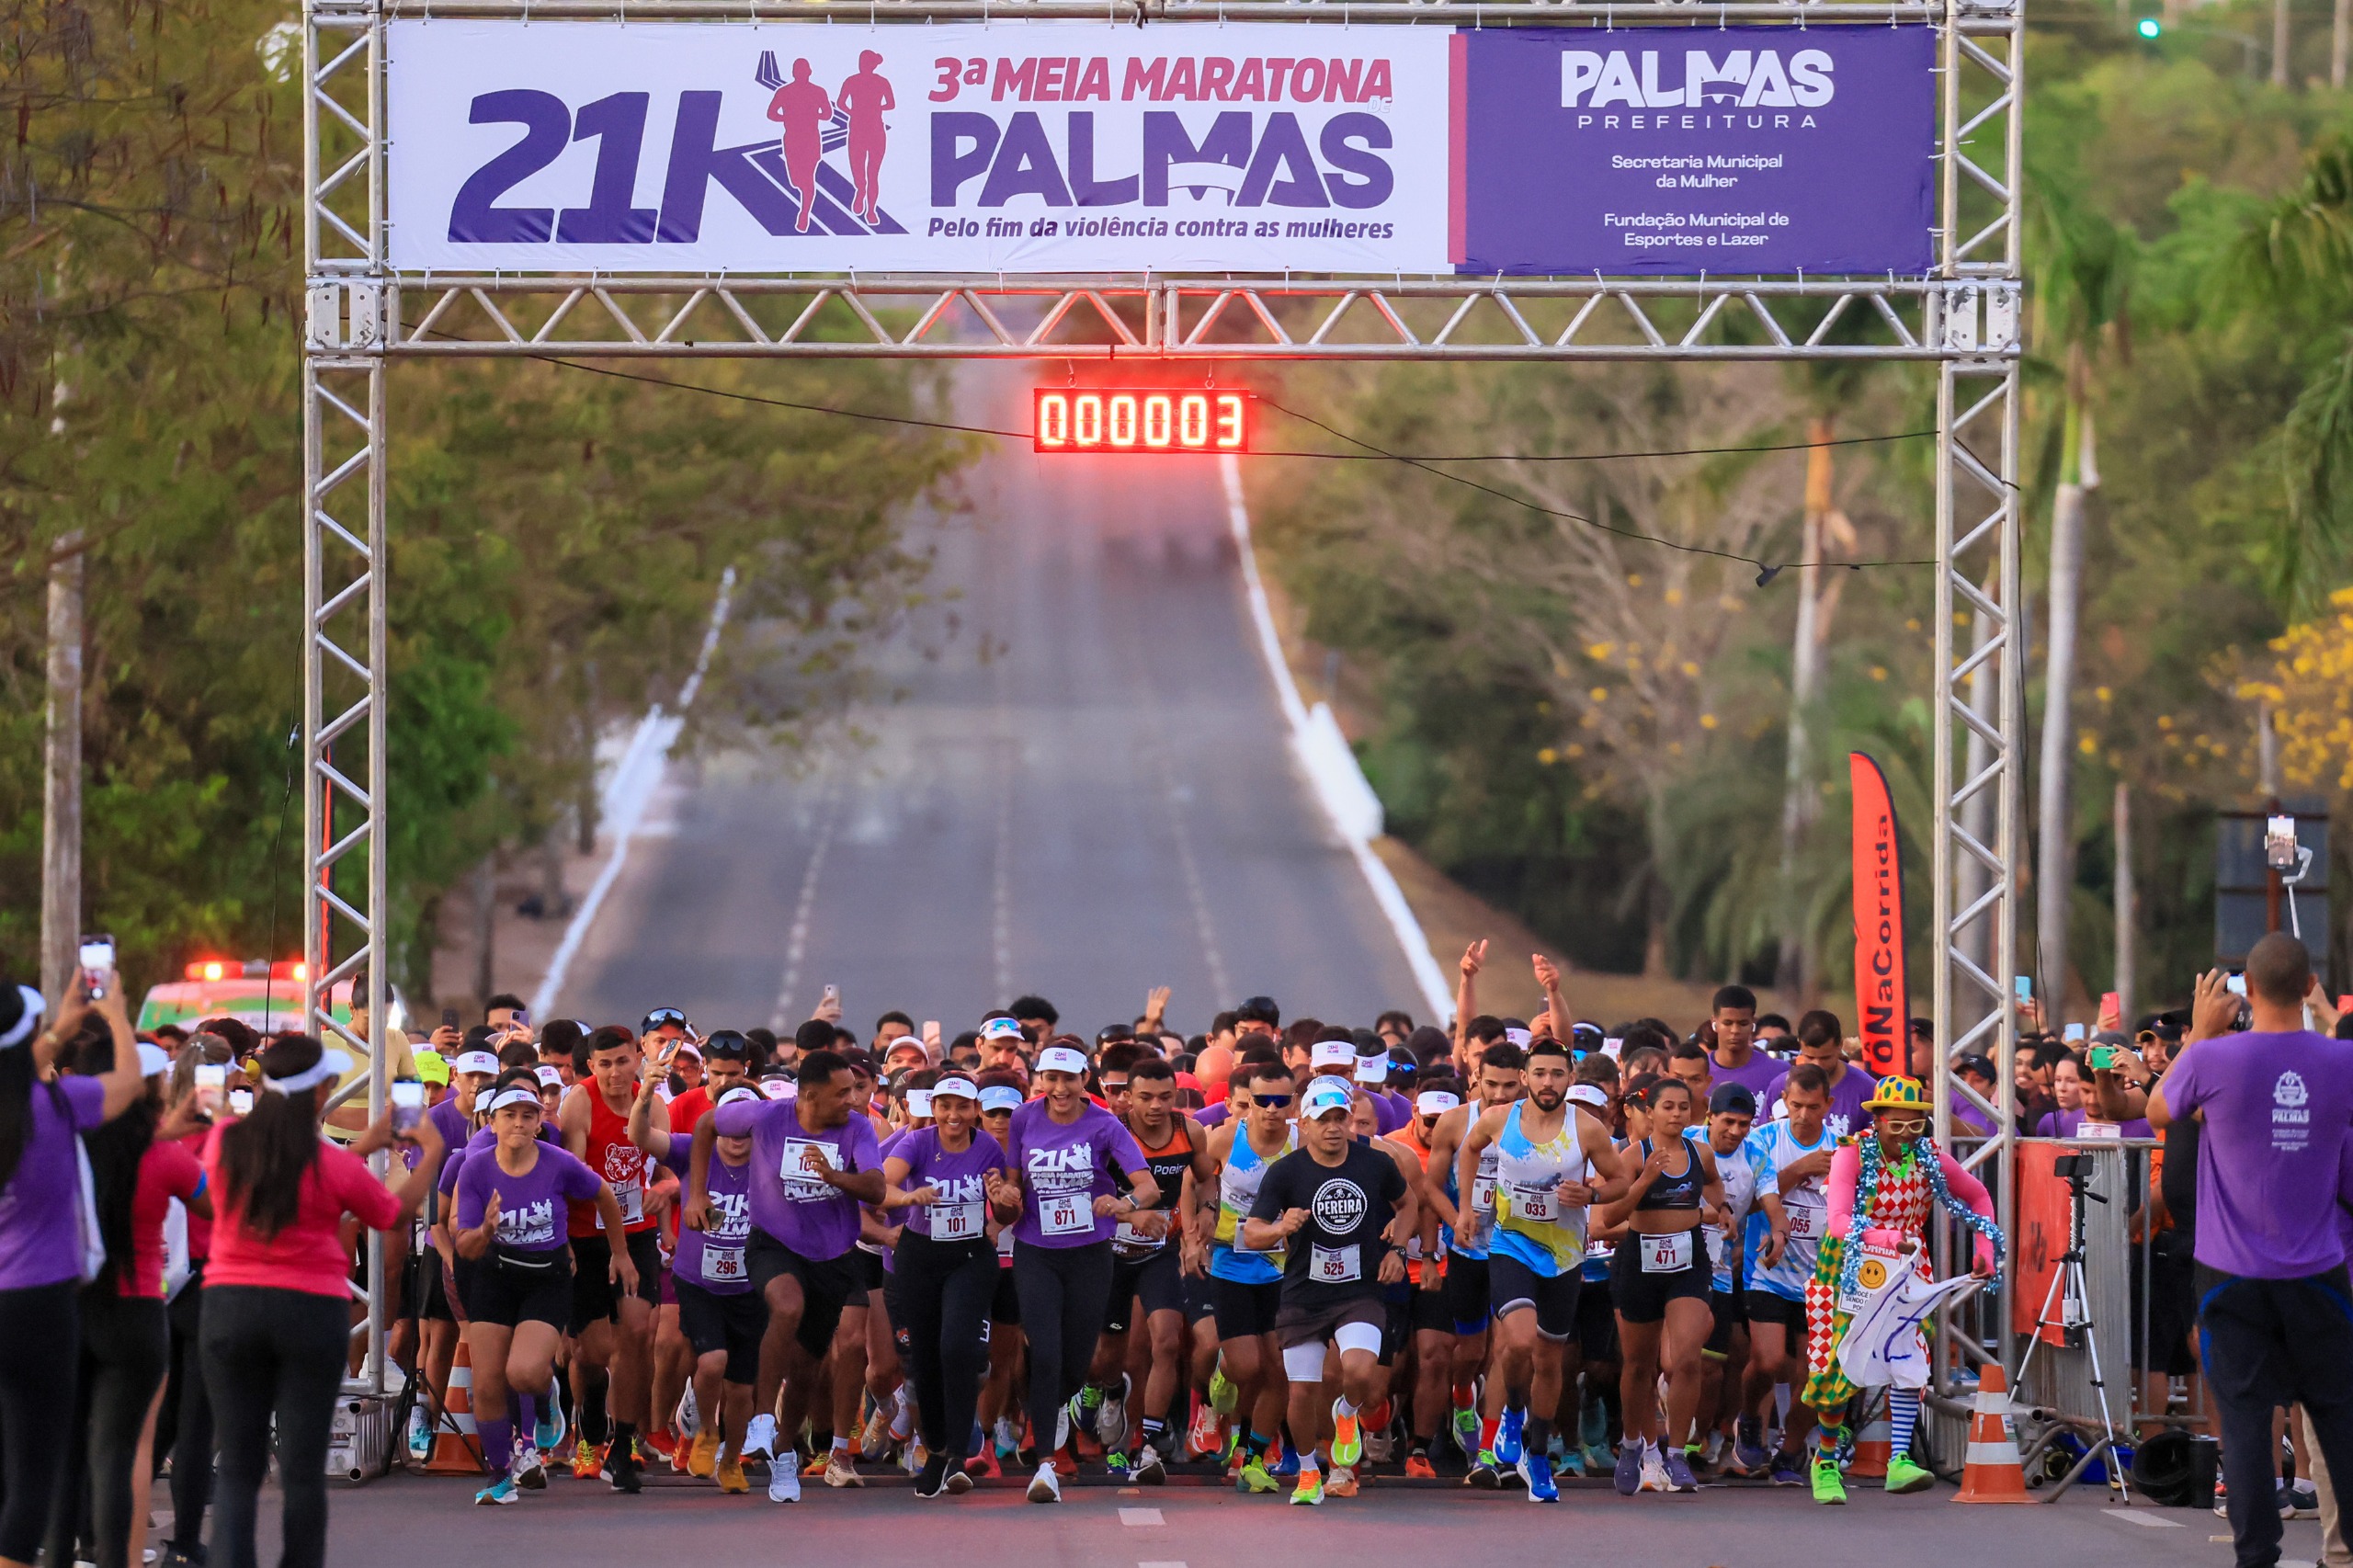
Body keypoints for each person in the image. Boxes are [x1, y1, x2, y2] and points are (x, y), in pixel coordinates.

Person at [200, 1034, 440, 1568]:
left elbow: (293, 1174)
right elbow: (389, 1214)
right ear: (319, 1094)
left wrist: (364, 1148)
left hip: (231, 1307)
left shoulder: (224, 1143)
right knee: (302, 1469)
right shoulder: (334, 1166)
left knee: (239, 1466)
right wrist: (432, 1155)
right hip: (310, 1312)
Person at [2149, 941, 2353, 1568]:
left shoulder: (2212, 1058)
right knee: (2339, 1422)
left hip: (2227, 1276)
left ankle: (2255, 1556)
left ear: (2249, 992)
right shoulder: (2343, 1061)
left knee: (2241, 1421)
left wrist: (2200, 1034)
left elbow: (2160, 1108)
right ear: (2311, 985)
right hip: (2319, 1269)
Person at [691, 1046, 883, 1503]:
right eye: (841, 1093)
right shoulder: (764, 1116)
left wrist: (836, 1177)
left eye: (855, 1090)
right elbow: (704, 1126)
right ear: (809, 1096)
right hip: (772, 1242)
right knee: (786, 1304)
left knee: (804, 1371)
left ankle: (782, 1454)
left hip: (834, 1256)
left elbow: (876, 1187)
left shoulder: (857, 1127)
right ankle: (761, 1419)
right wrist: (696, 1192)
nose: (852, 1100)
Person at [1802, 1074, 2000, 1506]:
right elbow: (1838, 1221)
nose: (1907, 1135)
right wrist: (1889, 1238)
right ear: (1878, 1120)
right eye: (1898, 1126)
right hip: (1854, 1265)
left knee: (1908, 1355)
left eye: (1916, 1126)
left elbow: (1979, 1196)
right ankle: (1827, 1460)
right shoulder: (1851, 1156)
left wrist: (1986, 1247)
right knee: (1843, 1357)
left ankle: (1898, 1460)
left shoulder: (1930, 1158)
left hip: (1909, 1268)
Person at [1454, 1036, 1627, 1499]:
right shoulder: (1498, 1119)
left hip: (1565, 1258)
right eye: (1540, 1073)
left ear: (1570, 1078)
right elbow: (1468, 1150)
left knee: (1550, 1362)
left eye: (1557, 1074)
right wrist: (1468, 1207)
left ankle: (1536, 1459)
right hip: (1511, 1246)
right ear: (1526, 1077)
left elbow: (1622, 1180)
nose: (1548, 1082)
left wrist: (1591, 1195)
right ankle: (1512, 1409)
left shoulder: (1586, 1128)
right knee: (1518, 1340)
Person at [992, 1041, 1156, 1503]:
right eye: (1051, 1078)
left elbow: (1146, 1185)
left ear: (1086, 1079)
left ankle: (1064, 1402)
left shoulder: (1104, 1124)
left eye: (1069, 1079)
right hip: (1036, 1251)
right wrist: (1006, 1194)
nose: (1060, 1088)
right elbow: (1013, 1180)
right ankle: (1045, 1461)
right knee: (1044, 1352)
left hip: (1089, 1252)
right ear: (1040, 1079)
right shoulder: (1024, 1118)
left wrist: (1123, 1205)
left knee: (1077, 1359)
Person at [1242, 1074, 1415, 1506]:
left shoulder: (1374, 1163)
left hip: (1360, 1291)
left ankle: (1346, 1413)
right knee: (1301, 1389)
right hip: (1304, 1295)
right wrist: (1282, 1226)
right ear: (1305, 1123)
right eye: (1324, 1119)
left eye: (1342, 1118)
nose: (1334, 1127)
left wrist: (1398, 1250)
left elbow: (1409, 1203)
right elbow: (1252, 1234)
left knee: (1358, 1371)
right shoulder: (1286, 1172)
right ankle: (1306, 1474)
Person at [457, 1074, 629, 1506]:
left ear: (538, 1123)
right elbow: (464, 1244)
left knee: (525, 1373)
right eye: (509, 1115)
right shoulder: (475, 1167)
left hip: (546, 1277)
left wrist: (620, 1254)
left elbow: (606, 1197)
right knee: (490, 1382)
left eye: (527, 1115)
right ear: (490, 1122)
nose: (518, 1123)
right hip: (494, 1276)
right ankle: (500, 1474)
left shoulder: (558, 1162)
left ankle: (545, 1394)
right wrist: (485, 1230)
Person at [880, 1073, 1014, 1496]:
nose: (953, 1115)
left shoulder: (987, 1146)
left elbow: (1008, 1214)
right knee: (925, 1357)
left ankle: (959, 1447)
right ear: (933, 1108)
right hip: (920, 1256)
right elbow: (880, 1185)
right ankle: (936, 1450)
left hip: (971, 1256)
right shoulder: (918, 1143)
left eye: (961, 1107)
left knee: (957, 1347)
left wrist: (1001, 1200)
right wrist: (907, 1198)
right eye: (944, 1107)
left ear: (974, 1110)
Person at [1601, 1076, 1729, 1494]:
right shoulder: (1633, 1155)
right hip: (1640, 1258)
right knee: (1639, 1365)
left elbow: (1711, 1182)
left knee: (1687, 1358)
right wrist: (1643, 1182)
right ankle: (1633, 1444)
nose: (1675, 1114)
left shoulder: (1701, 1152)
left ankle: (1676, 1455)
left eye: (1682, 1107)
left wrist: (1720, 1207)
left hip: (1688, 1259)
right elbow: (1608, 1217)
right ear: (1649, 1112)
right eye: (1667, 1107)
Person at [558, 1027, 665, 1492]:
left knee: (638, 1336)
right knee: (594, 1353)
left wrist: (664, 1189)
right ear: (591, 1067)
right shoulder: (579, 1103)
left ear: (638, 1058)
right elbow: (575, 1179)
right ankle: (591, 1422)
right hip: (588, 1235)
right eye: (604, 1065)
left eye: (623, 1062)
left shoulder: (653, 1100)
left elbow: (669, 1168)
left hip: (638, 1234)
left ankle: (623, 1444)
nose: (615, 1073)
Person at [1086, 1054, 1196, 1480]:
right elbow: (1086, 1197)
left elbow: (1204, 1176)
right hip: (1110, 1254)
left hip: (1160, 1254)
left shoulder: (1190, 1131)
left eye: (1165, 1097)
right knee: (1105, 1360)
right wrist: (1131, 1217)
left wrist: (1202, 1212)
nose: (1156, 1106)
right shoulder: (1106, 1134)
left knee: (1166, 1343)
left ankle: (1148, 1444)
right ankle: (1110, 1393)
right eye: (1145, 1098)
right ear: (1126, 1097)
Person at [1194, 1057, 1298, 1492]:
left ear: (1292, 1104)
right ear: (1248, 1102)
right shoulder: (1223, 1139)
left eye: (1281, 1100)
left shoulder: (1304, 1142)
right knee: (1246, 1365)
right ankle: (1222, 1372)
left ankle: (1252, 1456)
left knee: (1279, 1370)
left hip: (1284, 1272)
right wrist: (1196, 1231)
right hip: (1231, 1265)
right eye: (1262, 1100)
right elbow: (1194, 1180)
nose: (1272, 1109)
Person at [1423, 1040, 1525, 1469]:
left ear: (1523, 1081)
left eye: (1509, 1087)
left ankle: (1486, 1450)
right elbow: (1429, 1187)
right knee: (1468, 1353)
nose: (1500, 1096)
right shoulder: (1454, 1123)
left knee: (1506, 1348)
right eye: (1492, 1085)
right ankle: (1463, 1395)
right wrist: (1455, 1219)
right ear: (1475, 1080)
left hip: (1517, 1251)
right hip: (1467, 1251)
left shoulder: (1536, 1124)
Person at [1762, 1009, 1878, 1137]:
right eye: (1810, 1057)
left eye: (1825, 1058)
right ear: (1800, 1044)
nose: (1817, 1065)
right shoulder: (1780, 1086)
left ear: (1840, 1045)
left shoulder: (1867, 1089)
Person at [836, 50, 892, 224]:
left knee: (873, 173)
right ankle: (860, 190)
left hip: (875, 130)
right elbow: (840, 102)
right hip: (857, 129)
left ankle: (871, 210)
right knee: (858, 170)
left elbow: (891, 103)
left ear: (871, 65)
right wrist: (853, 112)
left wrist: (875, 108)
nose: (862, 65)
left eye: (864, 62)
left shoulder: (882, 82)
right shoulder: (851, 81)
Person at [1706, 986, 1779, 1096]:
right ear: (1714, 1022)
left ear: (1753, 1023)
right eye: (1727, 1023)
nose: (1735, 1030)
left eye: (1743, 1024)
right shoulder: (1698, 1072)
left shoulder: (1778, 1073)